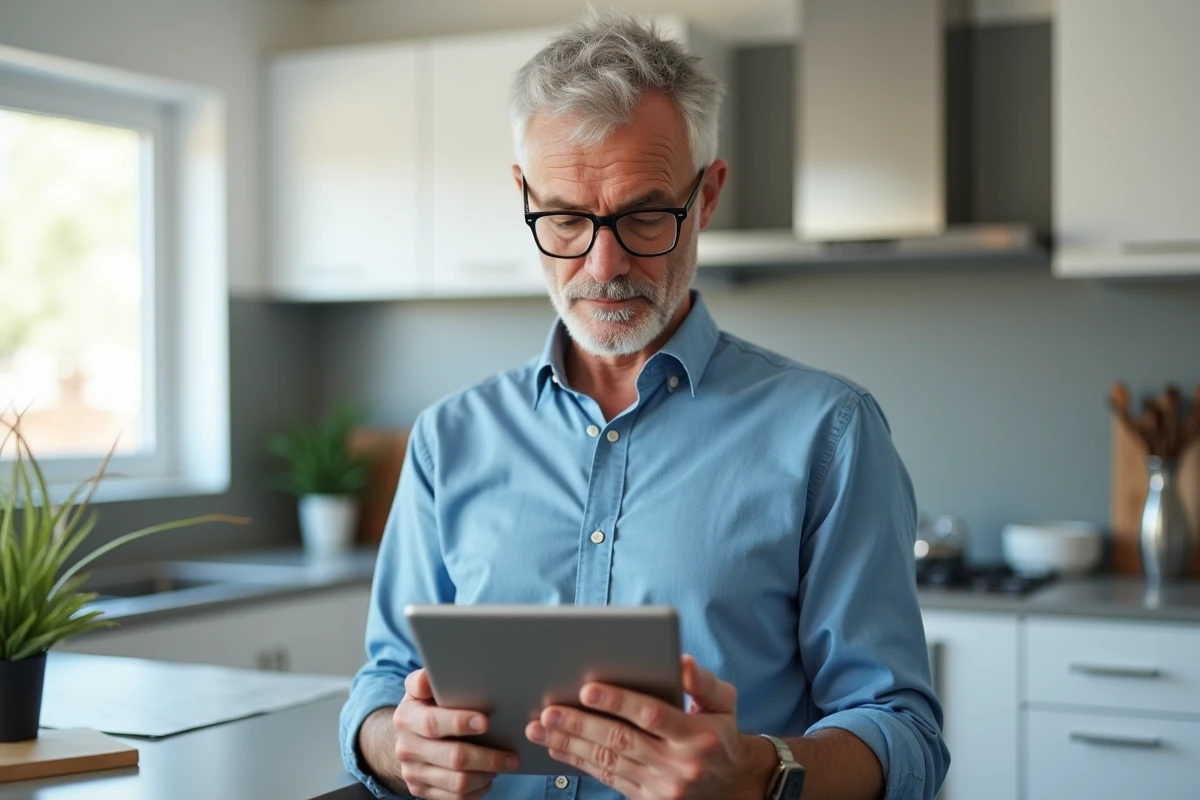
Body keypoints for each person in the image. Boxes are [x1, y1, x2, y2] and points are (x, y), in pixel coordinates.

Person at [340, 11, 948, 800]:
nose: (604, 264)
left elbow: (903, 732)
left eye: (644, 216)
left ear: (708, 196)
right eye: (566, 218)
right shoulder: (448, 438)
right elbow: (385, 679)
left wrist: (758, 770)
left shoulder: (828, 435)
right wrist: (395, 745)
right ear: (523, 196)